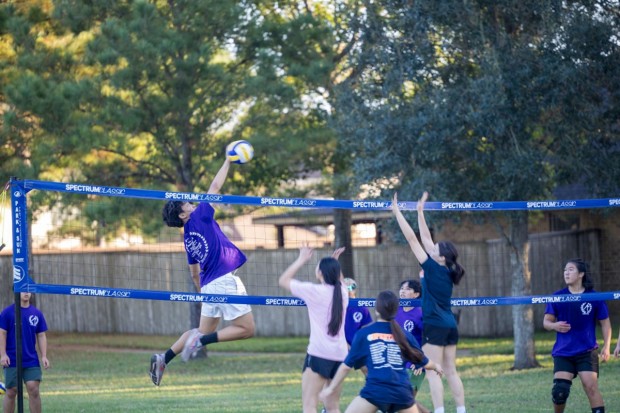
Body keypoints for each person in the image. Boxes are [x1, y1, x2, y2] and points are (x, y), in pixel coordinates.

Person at [150, 157, 255, 386]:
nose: (190, 202)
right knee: (246, 329)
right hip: (224, 281)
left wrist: (202, 293)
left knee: (198, 331)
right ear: (182, 215)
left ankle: (163, 358)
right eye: (186, 203)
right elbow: (215, 187)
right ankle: (202, 341)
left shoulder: (187, 238)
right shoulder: (201, 215)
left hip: (208, 285)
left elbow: (194, 273)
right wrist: (228, 161)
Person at [392, 192, 466, 413]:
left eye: (436, 248)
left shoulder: (432, 267)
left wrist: (397, 212)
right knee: (451, 370)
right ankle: (461, 410)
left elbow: (413, 239)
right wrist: (420, 212)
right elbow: (425, 239)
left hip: (434, 324)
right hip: (450, 325)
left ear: (441, 257)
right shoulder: (445, 270)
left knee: (433, 370)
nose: (431, 247)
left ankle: (440, 410)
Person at [319, 290, 444, 413]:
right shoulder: (403, 334)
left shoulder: (364, 334)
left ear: (377, 310)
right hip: (401, 392)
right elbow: (424, 361)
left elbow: (345, 367)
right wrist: (436, 366)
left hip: (375, 392)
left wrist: (330, 389)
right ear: (396, 310)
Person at [278, 245, 348, 413]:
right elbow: (340, 282)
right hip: (340, 355)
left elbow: (283, 280)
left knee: (309, 406)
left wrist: (301, 259)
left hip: (319, 354)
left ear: (320, 274)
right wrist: (334, 264)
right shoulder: (343, 293)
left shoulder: (313, 291)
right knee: (333, 407)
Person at [543, 258, 611, 413]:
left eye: (571, 269)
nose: (566, 273)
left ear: (581, 274)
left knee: (591, 387)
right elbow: (546, 322)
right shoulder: (558, 296)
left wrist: (606, 347)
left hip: (586, 351)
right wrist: (555, 325)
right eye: (565, 270)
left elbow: (605, 324)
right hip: (563, 352)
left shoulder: (594, 297)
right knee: (560, 391)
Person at [0, 292, 50, 413]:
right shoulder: (7, 313)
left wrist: (44, 356)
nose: (26, 293)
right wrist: (3, 354)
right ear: (16, 291)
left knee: (34, 389)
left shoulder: (36, 313)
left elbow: (41, 335)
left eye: (28, 290)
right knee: (11, 391)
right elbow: (2, 333)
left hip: (31, 359)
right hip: (11, 359)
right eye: (23, 289)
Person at [396, 279, 430, 413]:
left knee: (406, 400)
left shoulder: (420, 312)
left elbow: (427, 340)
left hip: (414, 362)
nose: (403, 291)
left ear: (416, 294)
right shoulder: (396, 309)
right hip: (397, 361)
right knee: (404, 400)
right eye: (402, 288)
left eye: (407, 289)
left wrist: (420, 362)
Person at [343, 278, 373, 348]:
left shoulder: (361, 307)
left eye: (351, 287)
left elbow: (366, 329)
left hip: (357, 346)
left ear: (355, 289)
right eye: (345, 286)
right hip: (340, 347)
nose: (348, 290)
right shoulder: (337, 307)